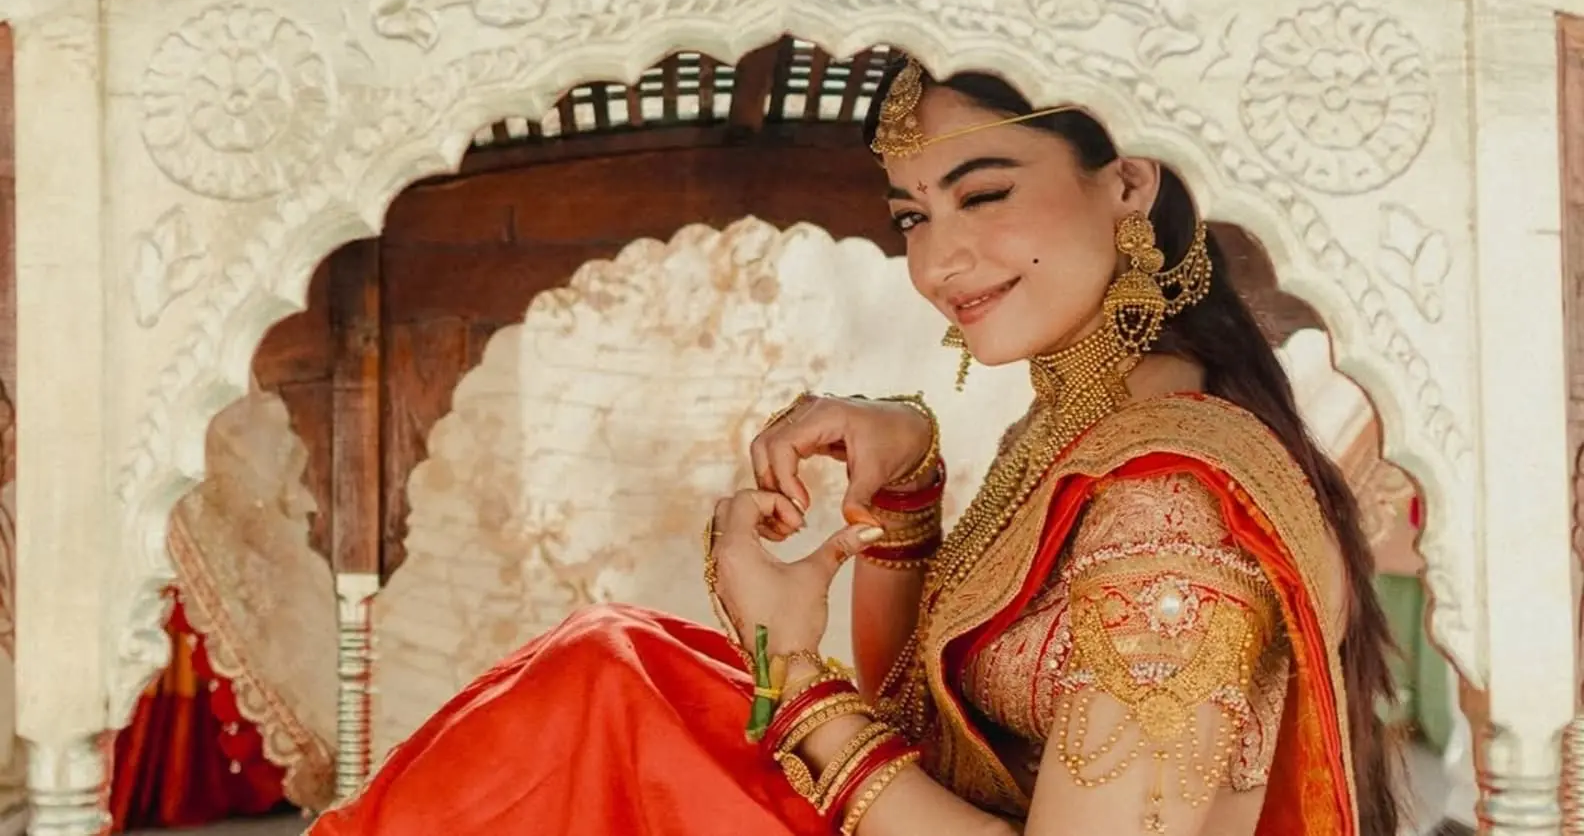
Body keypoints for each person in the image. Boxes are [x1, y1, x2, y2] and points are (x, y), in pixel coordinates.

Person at [308, 57, 1400, 836]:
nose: (938, 261)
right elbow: (927, 724)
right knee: (610, 671)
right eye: (914, 216)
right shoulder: (1087, 423)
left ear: (1128, 181)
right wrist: (908, 496)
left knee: (602, 702)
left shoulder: (1174, 510)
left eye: (984, 194)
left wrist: (793, 677)